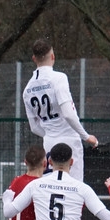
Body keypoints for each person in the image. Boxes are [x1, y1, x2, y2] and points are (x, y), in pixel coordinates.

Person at [22, 38, 98, 181]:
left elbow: (34, 127)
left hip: (49, 143)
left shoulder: (27, 89)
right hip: (69, 141)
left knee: (52, 186)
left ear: (34, 58)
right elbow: (68, 114)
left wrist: (51, 133)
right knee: (74, 189)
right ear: (53, 56)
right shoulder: (59, 78)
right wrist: (86, 136)